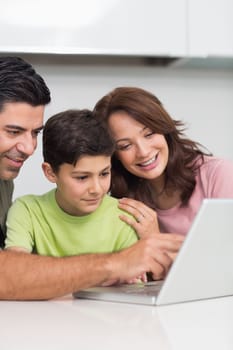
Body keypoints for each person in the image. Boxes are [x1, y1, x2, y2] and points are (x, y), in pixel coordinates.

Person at [0, 57, 174, 300]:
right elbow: (9, 276)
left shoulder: (4, 180)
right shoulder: (27, 209)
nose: (29, 147)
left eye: (35, 133)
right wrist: (112, 266)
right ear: (51, 173)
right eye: (13, 131)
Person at [93, 86, 233, 239]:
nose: (143, 152)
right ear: (114, 155)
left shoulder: (219, 174)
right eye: (126, 146)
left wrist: (155, 240)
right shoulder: (125, 201)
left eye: (149, 134)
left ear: (164, 129)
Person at [5, 109, 138, 263]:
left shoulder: (125, 218)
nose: (96, 189)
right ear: (50, 172)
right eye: (82, 177)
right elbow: (16, 269)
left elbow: (132, 283)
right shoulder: (27, 211)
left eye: (104, 174)